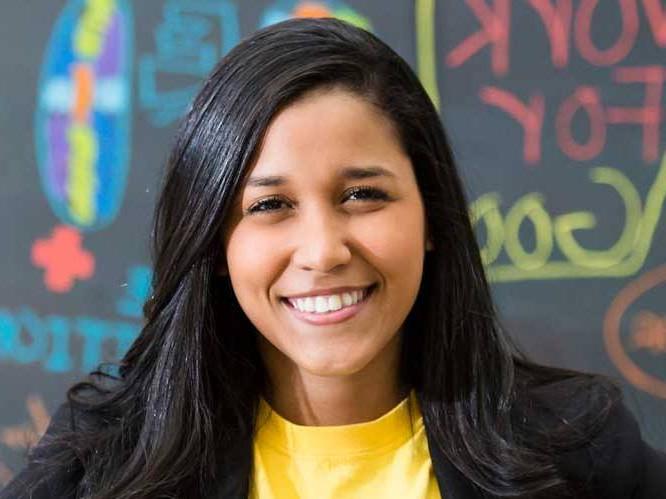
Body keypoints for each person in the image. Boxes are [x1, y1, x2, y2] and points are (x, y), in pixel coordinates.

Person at [2, 17, 665, 499]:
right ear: (216, 242)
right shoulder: (100, 463)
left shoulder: (582, 453)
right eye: (270, 205)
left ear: (430, 215)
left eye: (361, 194)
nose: (323, 250)